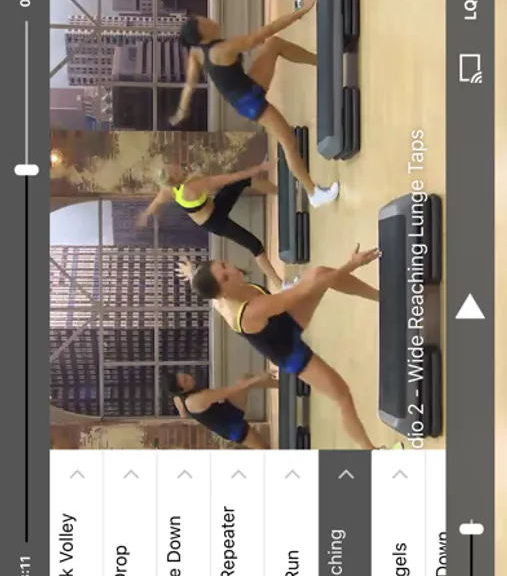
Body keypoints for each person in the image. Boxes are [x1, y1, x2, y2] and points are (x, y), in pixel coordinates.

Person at [184, 247, 404, 451]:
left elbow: (204, 285)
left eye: (224, 265)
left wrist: (191, 273)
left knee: (320, 272)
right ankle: (372, 453)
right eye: (225, 277)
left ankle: (385, 299)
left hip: (282, 321)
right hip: (290, 353)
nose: (231, 271)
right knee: (342, 396)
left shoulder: (218, 297)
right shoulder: (249, 311)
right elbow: (304, 291)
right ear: (221, 294)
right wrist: (353, 264)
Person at [172, 0, 339, 209]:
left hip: (247, 86)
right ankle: (313, 193)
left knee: (273, 45)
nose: (209, 20)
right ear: (202, 33)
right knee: (288, 142)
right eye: (204, 21)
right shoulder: (221, 49)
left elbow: (189, 85)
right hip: (251, 102)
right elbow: (267, 30)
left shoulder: (196, 52)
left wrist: (181, 110)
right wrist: (301, 11)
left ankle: (322, 62)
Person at [136, 159, 288, 289]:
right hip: (215, 222)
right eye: (175, 170)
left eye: (172, 165)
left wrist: (145, 215)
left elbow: (155, 203)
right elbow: (229, 178)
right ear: (174, 178)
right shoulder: (191, 186)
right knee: (255, 246)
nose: (177, 166)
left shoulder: (169, 191)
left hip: (216, 209)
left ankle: (282, 192)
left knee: (243, 181)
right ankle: (279, 284)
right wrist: (260, 168)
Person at [162, 368, 277, 449]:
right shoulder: (197, 400)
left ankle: (282, 385)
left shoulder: (178, 397)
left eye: (184, 375)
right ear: (182, 390)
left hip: (229, 410)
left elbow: (182, 413)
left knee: (245, 378)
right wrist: (259, 377)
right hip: (231, 427)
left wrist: (182, 411)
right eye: (185, 380)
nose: (189, 377)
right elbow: (232, 390)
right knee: (265, 449)